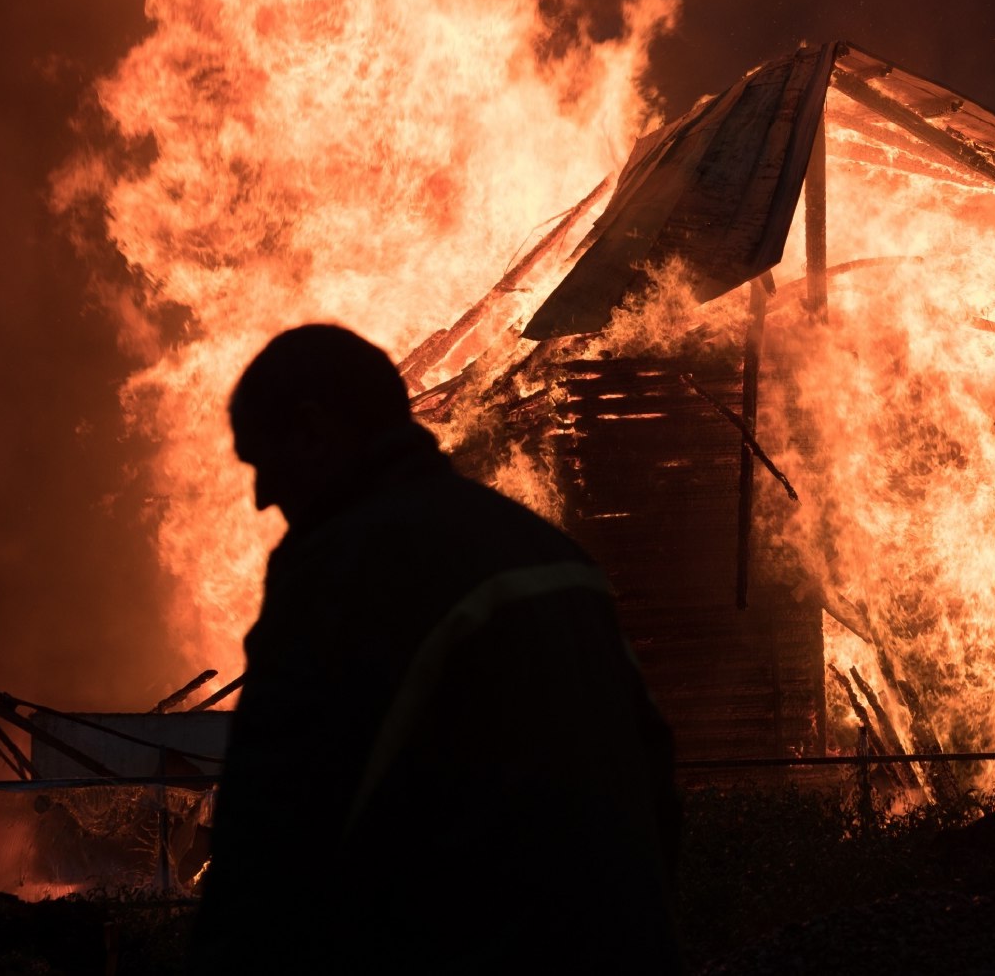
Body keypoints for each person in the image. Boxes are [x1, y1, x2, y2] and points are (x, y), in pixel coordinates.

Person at [191, 324, 681, 973]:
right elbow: (656, 776)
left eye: (261, 462)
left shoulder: (341, 572)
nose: (259, 497)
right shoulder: (549, 551)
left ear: (311, 433)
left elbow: (273, 842)